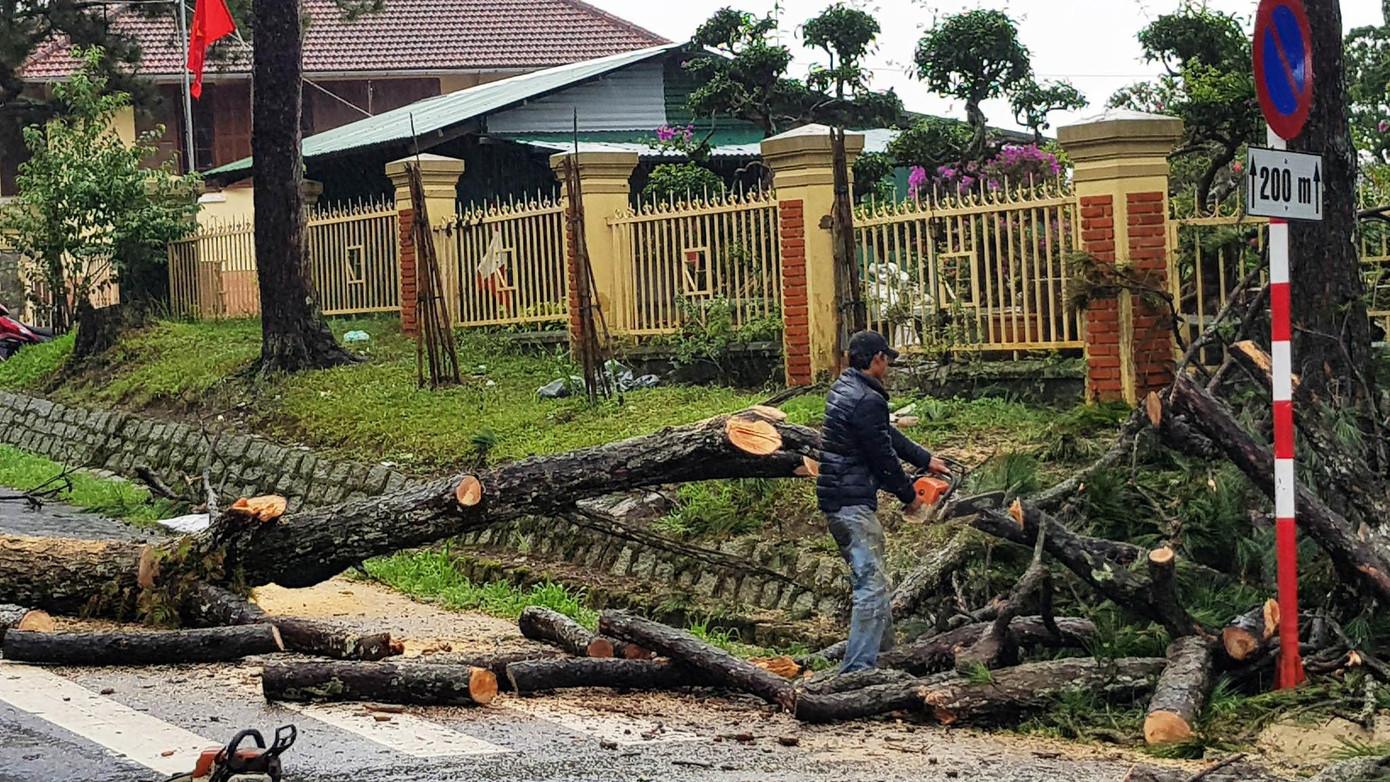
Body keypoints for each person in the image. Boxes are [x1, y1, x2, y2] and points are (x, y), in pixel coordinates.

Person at [817, 330, 949, 672]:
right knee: (871, 587)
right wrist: (910, 497)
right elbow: (883, 458)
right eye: (886, 359)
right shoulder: (868, 399)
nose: (888, 365)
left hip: (838, 497)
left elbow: (885, 435)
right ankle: (857, 671)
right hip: (852, 503)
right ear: (877, 359)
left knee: (875, 582)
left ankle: (887, 660)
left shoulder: (845, 389)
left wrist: (925, 458)